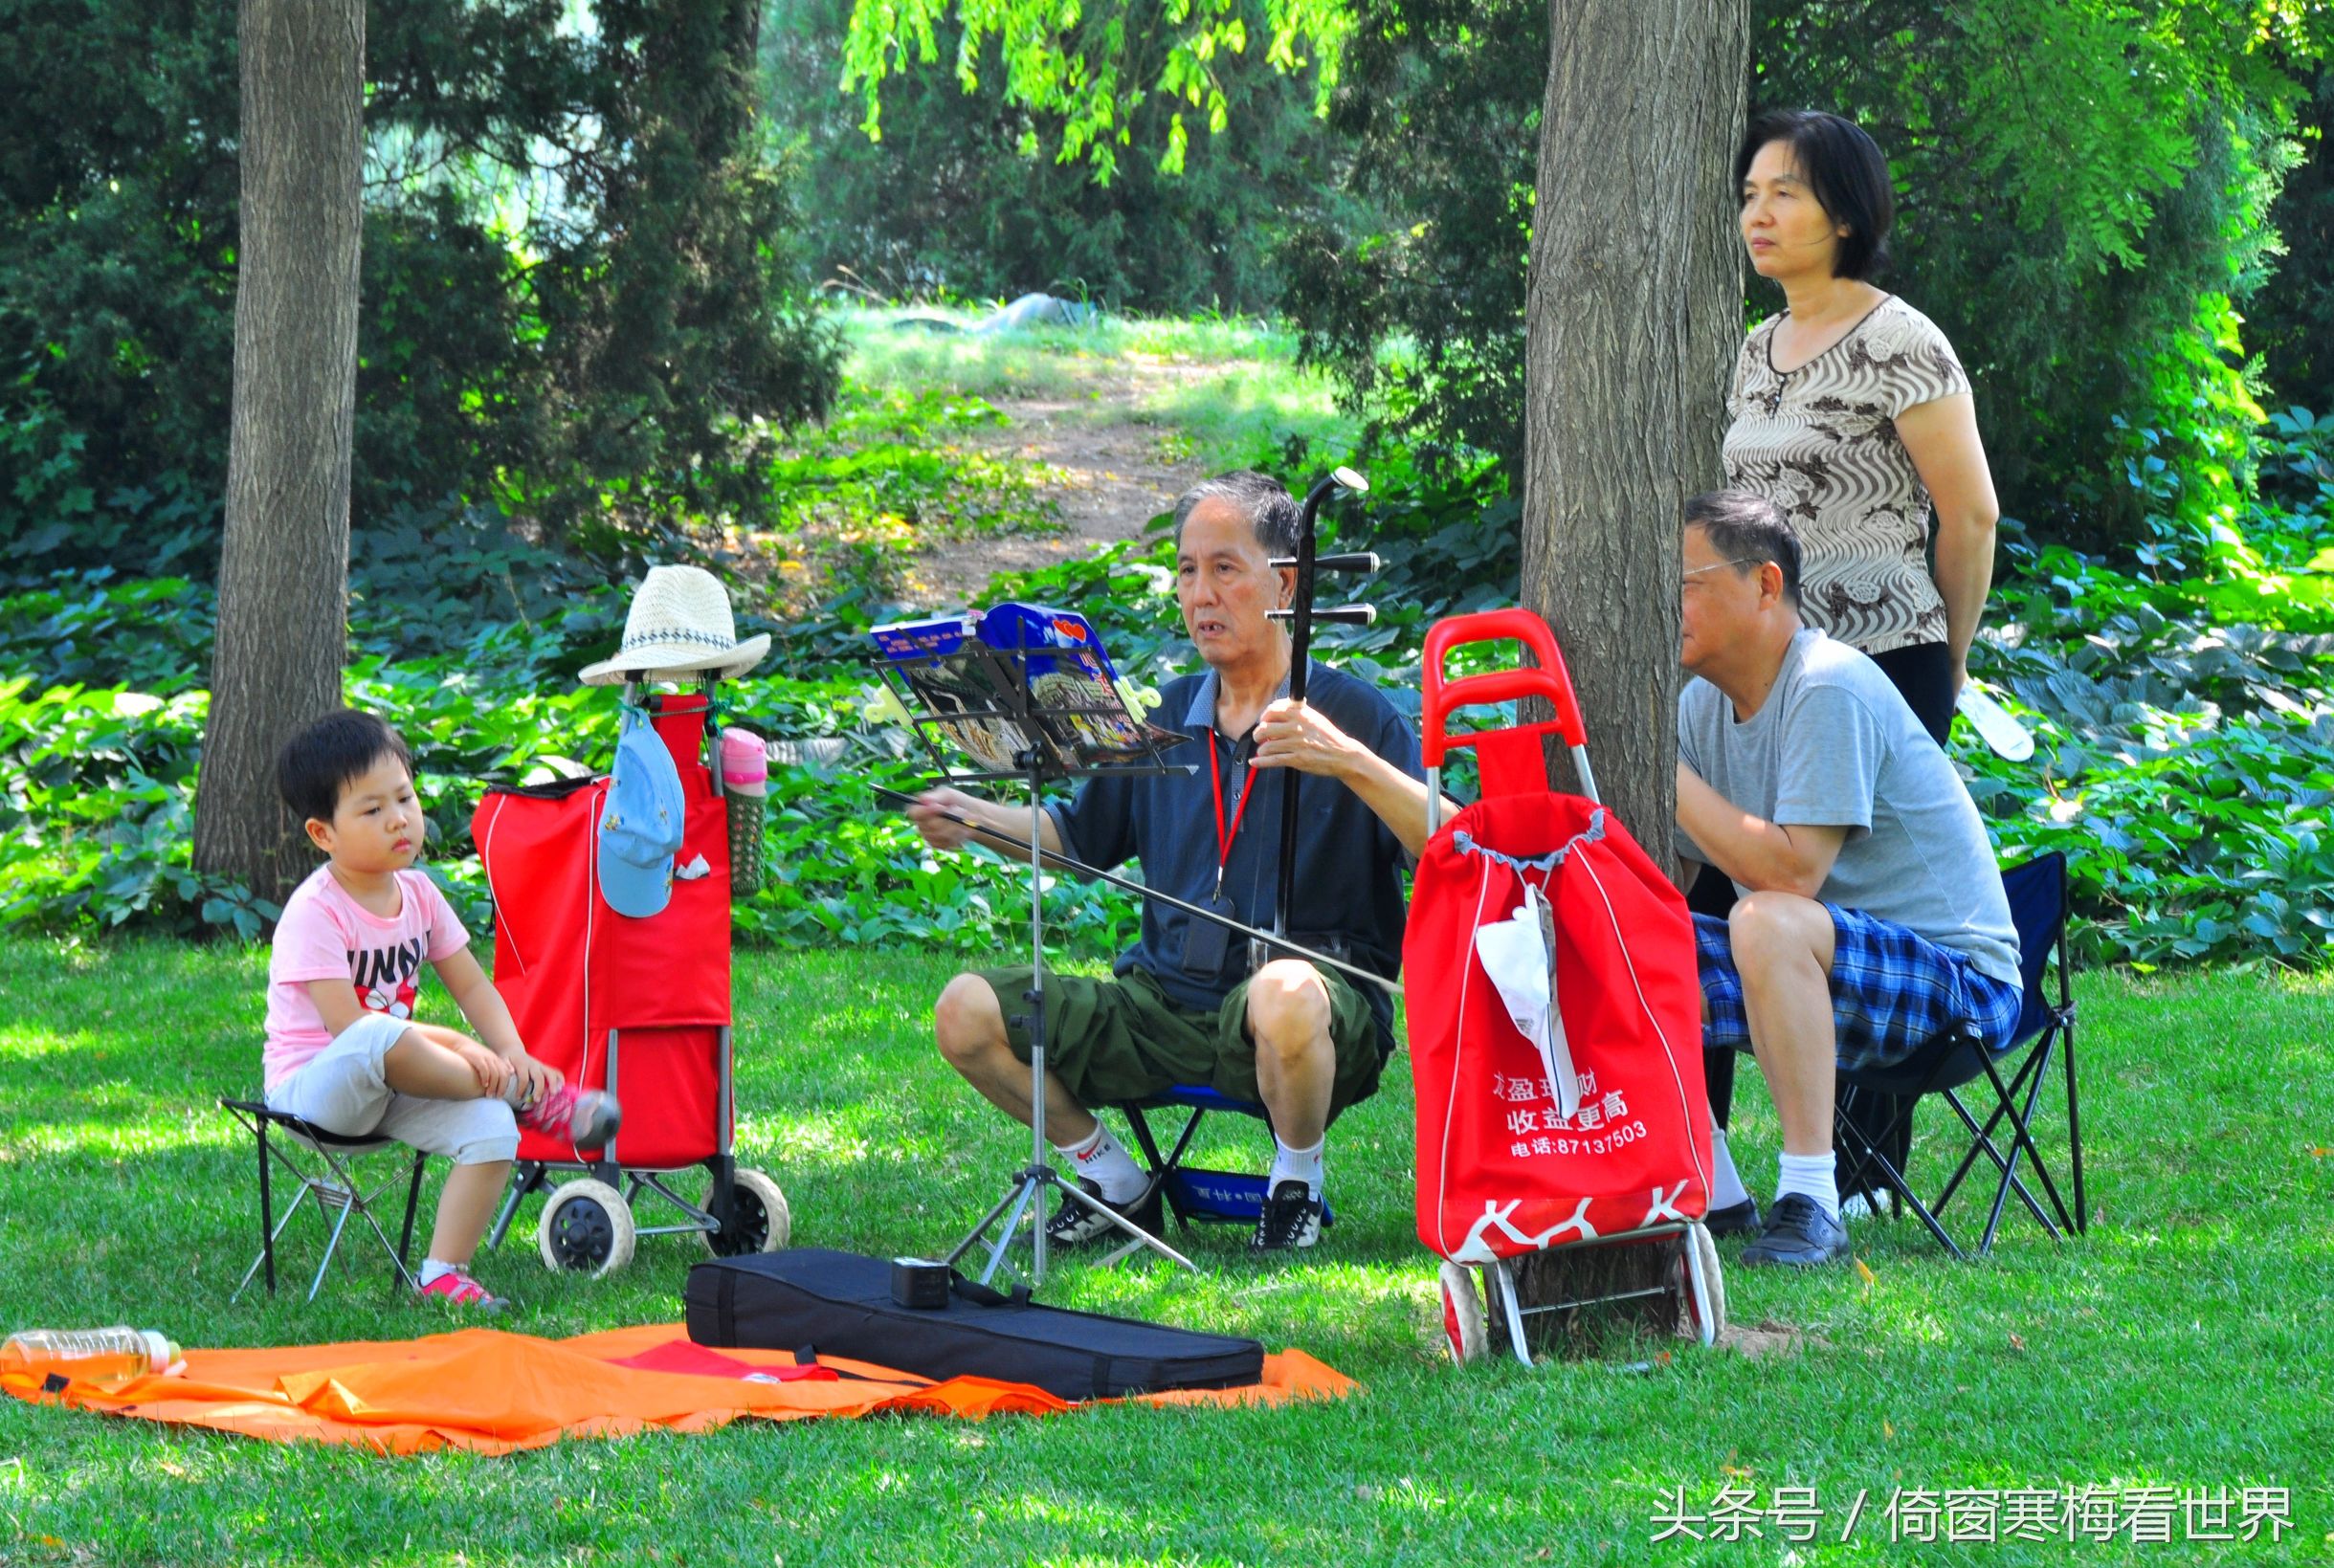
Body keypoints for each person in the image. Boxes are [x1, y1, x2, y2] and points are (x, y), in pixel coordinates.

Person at [907, 472, 1437, 1252]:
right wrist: (973, 814)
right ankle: (1112, 1179)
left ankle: (1294, 1182)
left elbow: (1451, 844)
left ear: (1285, 582)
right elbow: (1077, 840)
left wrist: (1352, 761)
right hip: (1161, 1006)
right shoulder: (1163, 713)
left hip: (1308, 1016)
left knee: (1285, 991)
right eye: (1188, 571)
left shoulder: (1354, 712)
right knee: (965, 1009)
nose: (1200, 594)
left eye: (1224, 568)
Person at [1704, 107, 2007, 1221]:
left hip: (1884, 661)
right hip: (1760, 673)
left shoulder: (1903, 340)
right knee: (1712, 880)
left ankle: (1865, 1169)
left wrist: (1950, 660)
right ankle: (1704, 1164)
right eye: (1749, 194)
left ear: (1846, 208)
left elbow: (1967, 515)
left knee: (1864, 901)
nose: (1759, 213)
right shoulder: (1750, 348)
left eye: (1783, 191)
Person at [1674, 491, 2021, 1269]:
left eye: (1686, 583)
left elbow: (1792, 874)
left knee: (1764, 916)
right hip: (1817, 963)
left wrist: (1666, 780)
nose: (1670, 606)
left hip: (1956, 982)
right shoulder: (1699, 710)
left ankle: (1811, 1201)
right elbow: (1665, 879)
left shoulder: (1825, 682)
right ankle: (1712, 1191)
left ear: (1765, 585)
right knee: (1633, 938)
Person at [264, 710, 620, 1310]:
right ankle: (520, 1094)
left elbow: (474, 988)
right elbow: (349, 1028)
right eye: (371, 810)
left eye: (404, 797)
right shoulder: (315, 911)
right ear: (324, 834)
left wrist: (509, 1048)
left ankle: (444, 1273)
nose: (398, 818)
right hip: (317, 1090)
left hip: (394, 1083)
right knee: (380, 1033)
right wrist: (462, 1051)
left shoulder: (421, 896)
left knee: (491, 1129)